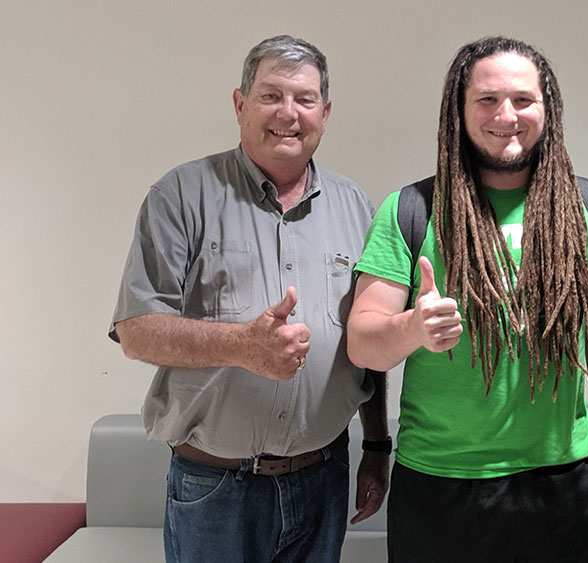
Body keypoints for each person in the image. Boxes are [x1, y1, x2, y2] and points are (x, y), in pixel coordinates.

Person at [109, 35, 389, 563]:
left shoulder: (357, 207)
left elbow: (367, 338)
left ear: (325, 113)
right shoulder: (181, 195)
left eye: (305, 99)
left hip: (324, 478)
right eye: (271, 95)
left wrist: (376, 445)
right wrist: (242, 345)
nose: (288, 113)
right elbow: (136, 330)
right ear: (240, 105)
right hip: (215, 487)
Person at [347, 36, 588, 563]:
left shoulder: (587, 206)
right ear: (459, 109)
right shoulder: (410, 209)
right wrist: (412, 329)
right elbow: (362, 344)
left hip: (571, 483)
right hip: (443, 487)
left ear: (548, 109)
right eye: (487, 100)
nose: (506, 115)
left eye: (523, 100)